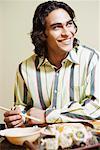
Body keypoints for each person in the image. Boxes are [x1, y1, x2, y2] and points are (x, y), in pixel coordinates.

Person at [4, 0, 100, 128]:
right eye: (57, 27)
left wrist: (47, 116)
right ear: (43, 34)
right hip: (42, 143)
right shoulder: (25, 68)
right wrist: (17, 117)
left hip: (82, 142)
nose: (67, 33)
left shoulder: (92, 59)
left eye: (69, 24)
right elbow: (22, 108)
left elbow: (95, 108)